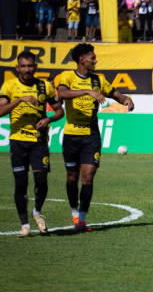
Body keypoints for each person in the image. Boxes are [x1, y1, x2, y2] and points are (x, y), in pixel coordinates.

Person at [57, 43, 135, 233]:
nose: (95, 60)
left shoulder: (99, 80)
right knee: (71, 177)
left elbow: (114, 93)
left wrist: (125, 99)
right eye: (92, 58)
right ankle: (74, 212)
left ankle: (82, 220)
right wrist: (87, 91)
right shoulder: (67, 76)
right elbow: (62, 93)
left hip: (91, 136)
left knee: (88, 178)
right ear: (81, 59)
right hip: (71, 135)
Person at [0, 51, 64, 237]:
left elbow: (60, 112)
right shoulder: (9, 85)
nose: (27, 69)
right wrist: (19, 100)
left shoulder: (45, 87)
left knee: (41, 181)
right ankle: (25, 225)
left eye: (30, 66)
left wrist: (48, 120)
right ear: (17, 68)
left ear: (35, 67)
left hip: (39, 141)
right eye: (23, 66)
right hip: (18, 140)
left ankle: (36, 212)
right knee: (21, 182)